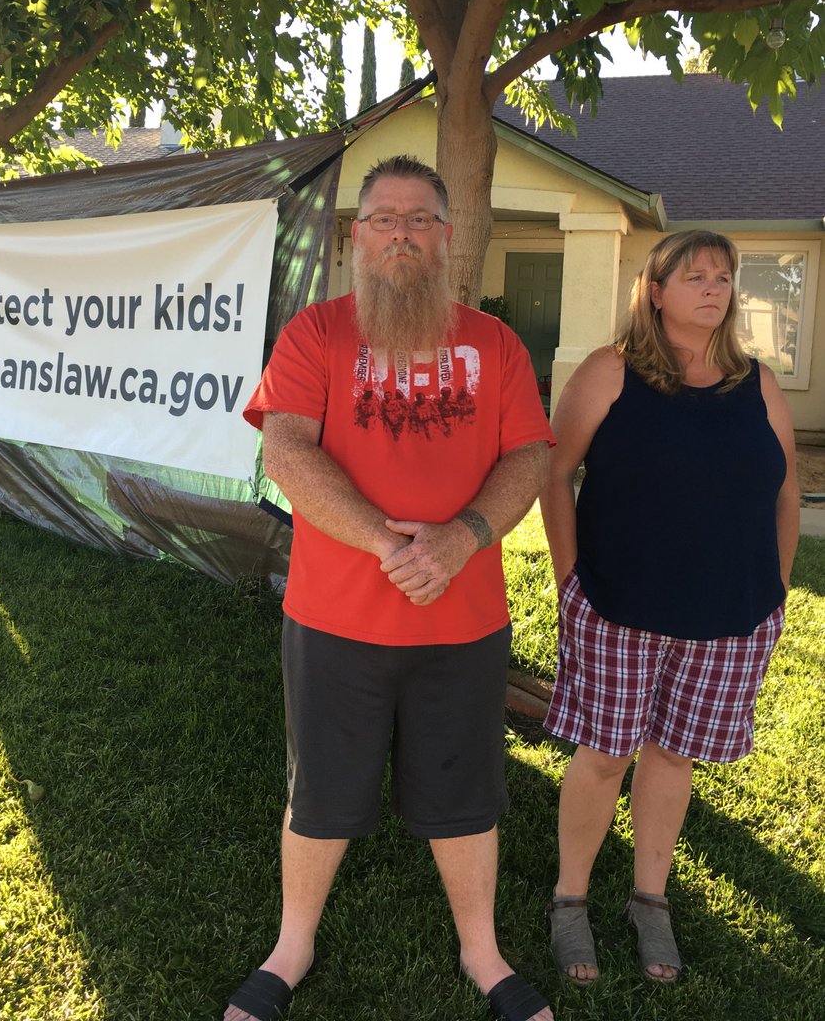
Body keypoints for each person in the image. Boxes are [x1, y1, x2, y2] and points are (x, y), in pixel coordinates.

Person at [227, 155, 555, 1021]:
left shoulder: (495, 344)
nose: (402, 233)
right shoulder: (316, 335)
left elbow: (529, 453)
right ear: (358, 236)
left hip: (466, 622)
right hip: (336, 619)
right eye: (383, 218)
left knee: (465, 792)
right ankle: (291, 945)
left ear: (448, 239)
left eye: (419, 219)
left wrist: (464, 538)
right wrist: (387, 542)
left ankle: (482, 951)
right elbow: (288, 448)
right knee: (322, 789)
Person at [539, 230, 799, 987]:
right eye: (695, 276)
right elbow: (556, 474)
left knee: (675, 755)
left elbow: (786, 490)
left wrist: (774, 589)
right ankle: (570, 901)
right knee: (603, 756)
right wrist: (568, 581)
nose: (713, 288)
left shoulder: (758, 383)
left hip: (730, 617)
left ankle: (649, 899)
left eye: (723, 277)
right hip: (618, 605)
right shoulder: (610, 372)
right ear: (656, 290)